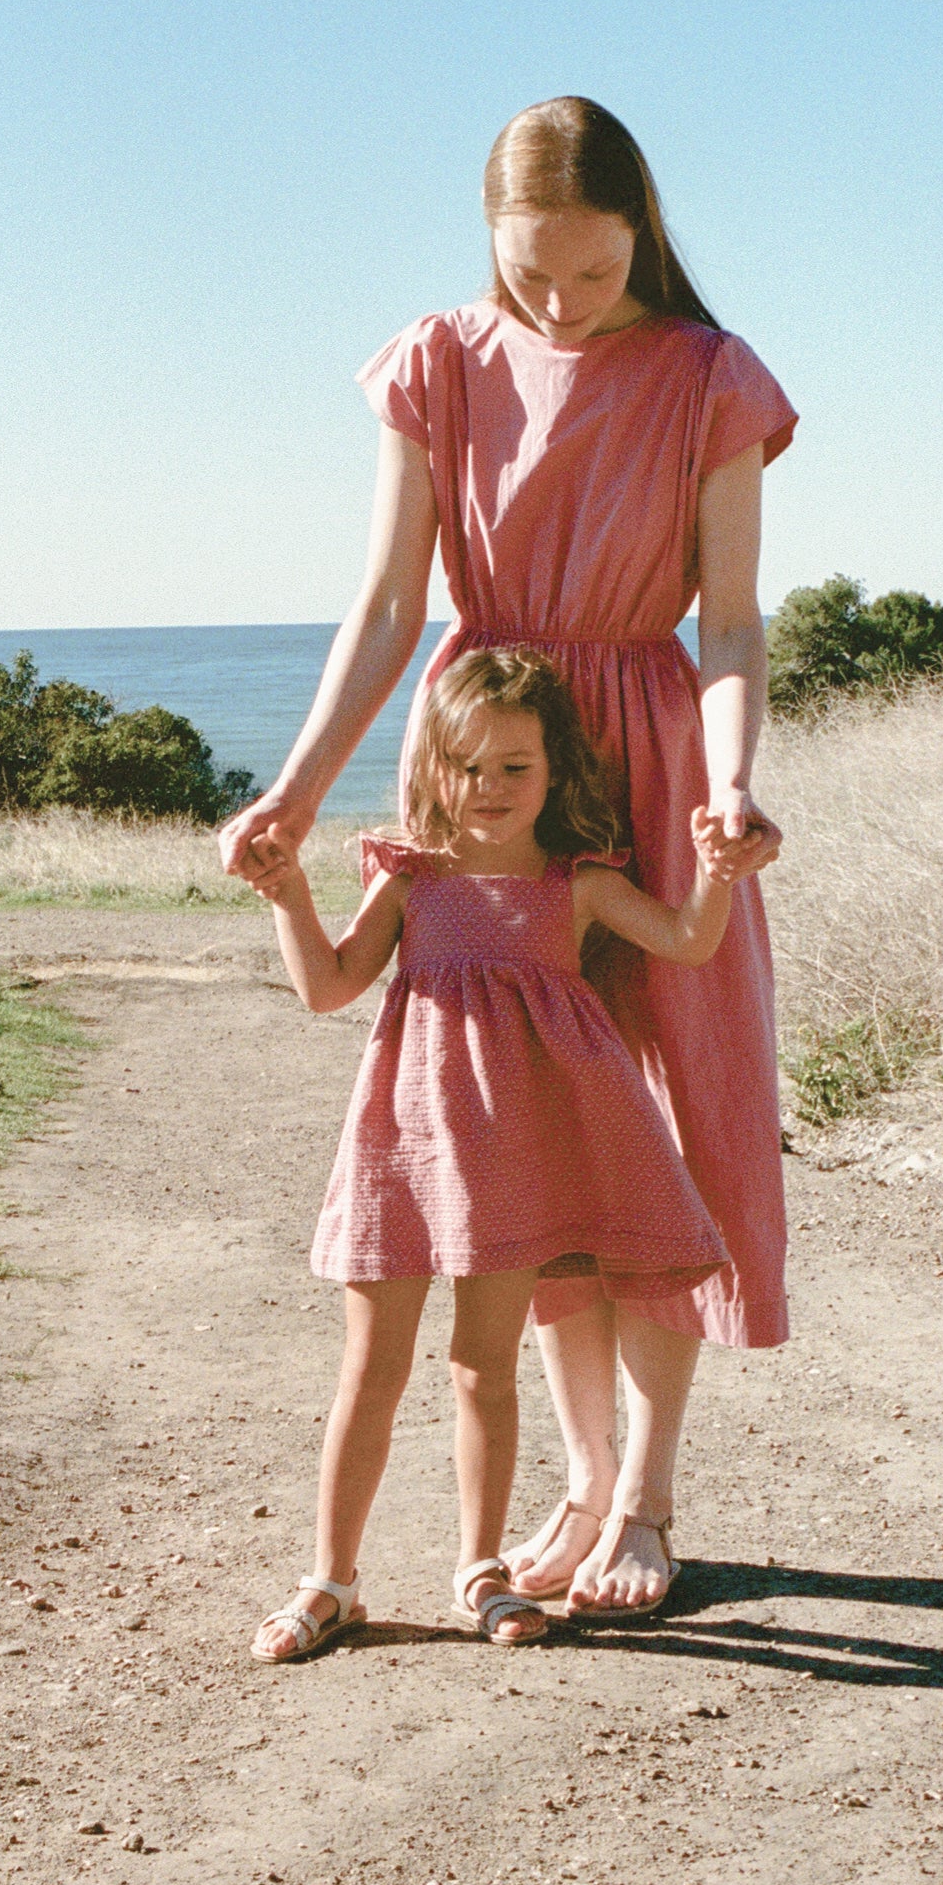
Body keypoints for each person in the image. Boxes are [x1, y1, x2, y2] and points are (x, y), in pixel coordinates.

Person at [221, 94, 796, 1615]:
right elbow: (387, 606)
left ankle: (651, 1496)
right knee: (529, 1136)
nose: (556, 303)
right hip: (490, 744)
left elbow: (728, 616)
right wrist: (293, 792)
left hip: (651, 756)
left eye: (590, 273)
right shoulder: (439, 362)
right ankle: (582, 1475)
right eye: (527, 272)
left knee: (673, 1121)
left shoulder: (707, 376)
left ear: (641, 236)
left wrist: (726, 784)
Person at [245, 648, 743, 1661]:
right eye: (468, 767)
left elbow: (688, 939)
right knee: (369, 1370)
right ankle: (329, 1580)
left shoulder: (581, 883)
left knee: (483, 1368)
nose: (491, 789)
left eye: (515, 767)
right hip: (404, 1153)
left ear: (555, 770)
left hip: (516, 1167)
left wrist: (721, 871)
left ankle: (480, 1572)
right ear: (432, 768)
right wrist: (287, 891)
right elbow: (328, 985)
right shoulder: (409, 878)